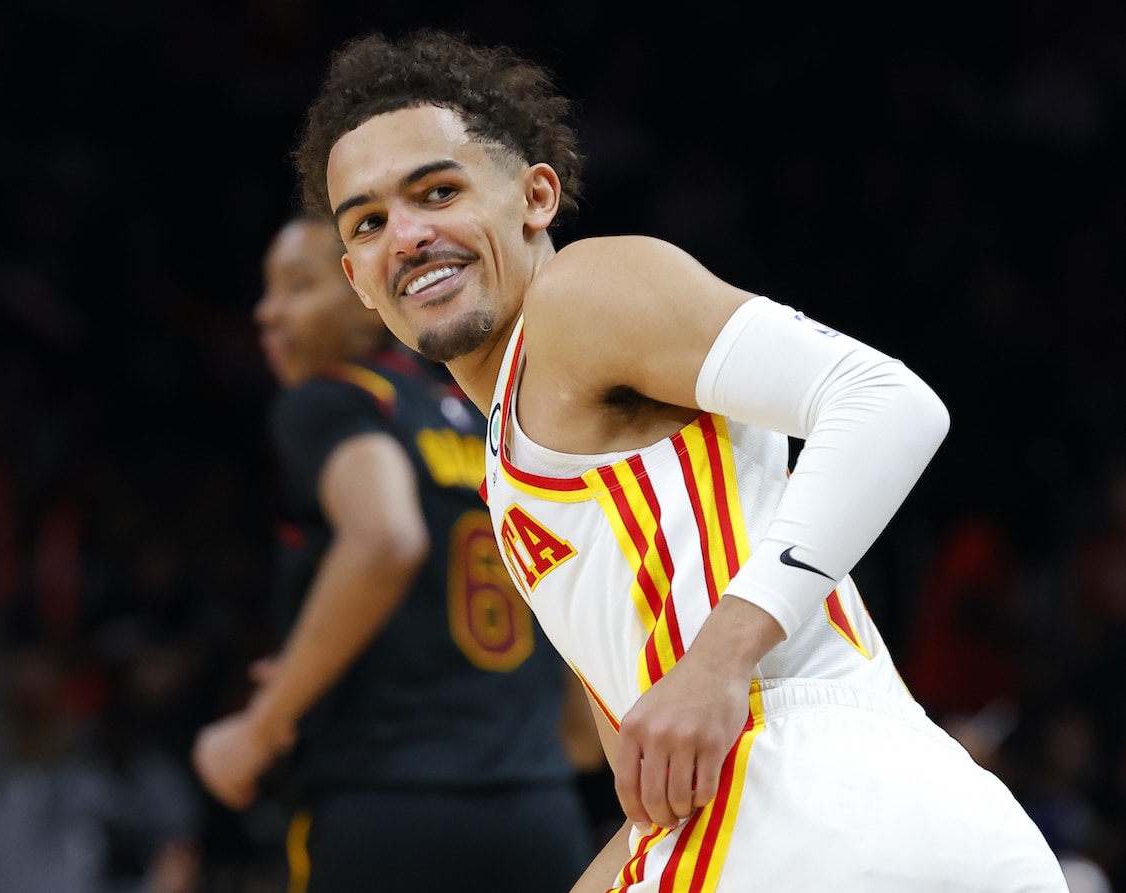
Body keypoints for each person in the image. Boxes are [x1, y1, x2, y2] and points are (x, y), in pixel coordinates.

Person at [290, 29, 1070, 892]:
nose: (407, 234)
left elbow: (888, 402)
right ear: (359, 279)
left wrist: (718, 660)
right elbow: (654, 795)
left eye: (436, 191)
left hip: (805, 794)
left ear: (536, 197)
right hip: (864, 809)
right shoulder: (511, 463)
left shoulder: (581, 296)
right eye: (368, 222)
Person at [191, 213, 599, 892]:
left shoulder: (335, 400)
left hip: (384, 800)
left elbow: (384, 539)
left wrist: (259, 729)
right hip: (537, 809)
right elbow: (568, 571)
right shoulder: (487, 418)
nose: (267, 312)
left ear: (365, 294)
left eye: (296, 286)